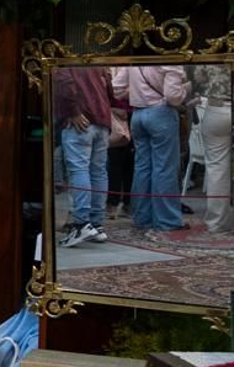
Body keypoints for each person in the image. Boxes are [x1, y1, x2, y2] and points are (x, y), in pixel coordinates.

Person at [112, 63, 189, 232]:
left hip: (138, 115)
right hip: (161, 113)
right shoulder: (170, 60)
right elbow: (173, 96)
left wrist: (137, 94)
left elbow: (116, 88)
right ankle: (167, 221)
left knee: (142, 168)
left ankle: (142, 218)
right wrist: (185, 89)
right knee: (165, 168)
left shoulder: (135, 60)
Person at [52, 67, 112, 246]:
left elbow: (63, 82)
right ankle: (95, 223)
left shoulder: (66, 57)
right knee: (98, 172)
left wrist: (73, 111)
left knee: (79, 170)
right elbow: (109, 87)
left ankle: (81, 224)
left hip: (81, 119)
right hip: (101, 118)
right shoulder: (95, 60)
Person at [191, 63, 233, 233]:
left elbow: (198, 77)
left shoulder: (212, 46)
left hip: (218, 107)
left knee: (217, 168)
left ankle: (217, 223)